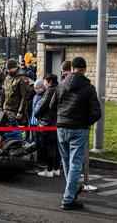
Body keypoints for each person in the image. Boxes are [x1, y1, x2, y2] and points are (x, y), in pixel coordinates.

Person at [50, 57, 101, 210]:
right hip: (78, 128)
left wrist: (62, 115)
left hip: (61, 127)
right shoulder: (89, 88)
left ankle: (71, 190)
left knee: (67, 163)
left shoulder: (61, 85)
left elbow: (52, 105)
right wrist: (86, 122)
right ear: (84, 69)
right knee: (75, 165)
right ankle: (68, 198)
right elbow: (96, 112)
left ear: (71, 69)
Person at [35, 74, 60, 178]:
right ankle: (56, 169)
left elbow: (44, 105)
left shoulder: (50, 91)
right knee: (57, 147)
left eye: (45, 81)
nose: (44, 83)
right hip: (57, 122)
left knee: (50, 146)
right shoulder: (60, 88)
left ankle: (49, 170)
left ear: (49, 82)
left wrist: (37, 114)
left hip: (49, 122)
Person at [0, 59, 30, 125]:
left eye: (9, 69)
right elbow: (3, 93)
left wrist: (20, 111)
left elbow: (25, 97)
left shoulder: (22, 78)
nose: (7, 70)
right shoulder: (7, 78)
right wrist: (0, 106)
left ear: (14, 68)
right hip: (6, 109)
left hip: (15, 110)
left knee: (14, 132)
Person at [29, 79, 46, 163]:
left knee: (41, 143)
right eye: (34, 88)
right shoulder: (35, 96)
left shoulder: (45, 96)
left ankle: (43, 160)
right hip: (33, 123)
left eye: (37, 88)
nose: (35, 89)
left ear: (42, 87)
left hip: (40, 123)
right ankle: (38, 159)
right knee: (36, 142)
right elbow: (32, 110)